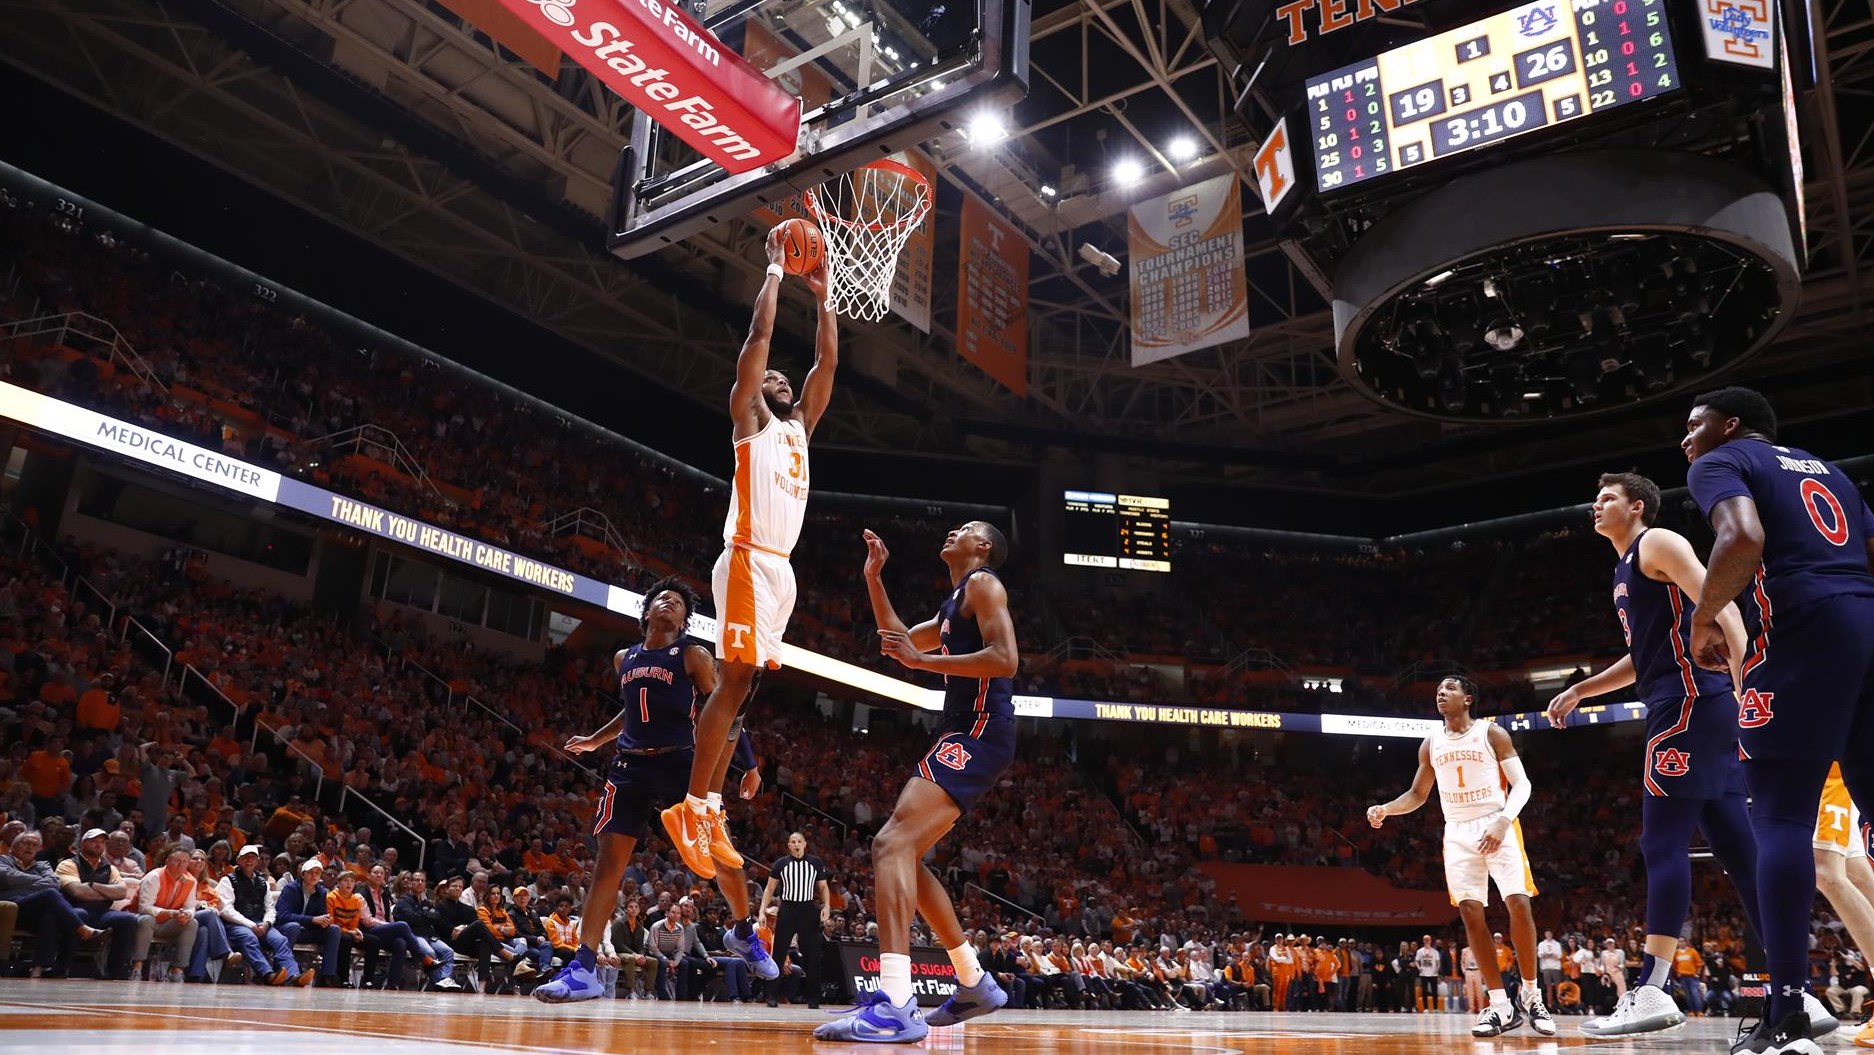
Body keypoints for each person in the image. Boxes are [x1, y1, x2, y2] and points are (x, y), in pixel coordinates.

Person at [1681, 386, 1874, 1055]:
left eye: (1695, 425)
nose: (1686, 439)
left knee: (1781, 817)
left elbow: (1743, 537)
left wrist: (1705, 614)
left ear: (1730, 426)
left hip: (1801, 628)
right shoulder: (1830, 470)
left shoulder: (1723, 462)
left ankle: (1787, 1013)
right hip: (1866, 621)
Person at [1547, 471, 1767, 1037]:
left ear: (1637, 506)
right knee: (1739, 852)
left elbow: (1724, 606)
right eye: (1595, 498)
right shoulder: (1625, 567)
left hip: (1689, 705)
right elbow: (1644, 656)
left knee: (1661, 841)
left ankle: (1652, 988)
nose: (1596, 506)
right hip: (1696, 706)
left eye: (1608, 498)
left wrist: (1745, 681)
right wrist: (1582, 689)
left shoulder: (1658, 542)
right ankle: (1793, 989)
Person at [661, 225, 838, 879]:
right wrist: (775, 273)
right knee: (731, 679)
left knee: (744, 686)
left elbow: (826, 368)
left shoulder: (800, 428)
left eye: (786, 379)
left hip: (780, 570)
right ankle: (692, 807)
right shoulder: (748, 419)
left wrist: (824, 295)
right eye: (772, 377)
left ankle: (707, 807)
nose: (781, 378)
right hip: (746, 556)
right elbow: (758, 339)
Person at [814, 521, 1018, 1042]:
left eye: (965, 529)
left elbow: (1005, 659)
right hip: (963, 729)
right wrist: (874, 578)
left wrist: (924, 661)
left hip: (979, 729)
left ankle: (898, 1004)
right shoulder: (954, 602)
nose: (953, 531)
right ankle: (973, 981)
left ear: (983, 546)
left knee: (890, 844)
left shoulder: (983, 584)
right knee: (905, 853)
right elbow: (898, 639)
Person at [534, 577, 776, 1002]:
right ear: (646, 612)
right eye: (662, 598)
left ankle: (742, 931)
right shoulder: (624, 658)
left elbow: (725, 711)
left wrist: (750, 765)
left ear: (684, 621)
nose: (669, 603)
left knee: (720, 853)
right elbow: (632, 711)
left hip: (681, 763)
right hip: (630, 765)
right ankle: (584, 968)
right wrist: (596, 739)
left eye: (678, 602)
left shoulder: (692, 655)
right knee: (608, 861)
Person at [1367, 677, 1554, 1038]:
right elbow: (1417, 794)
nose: (1441, 692)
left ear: (1468, 699)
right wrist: (1386, 809)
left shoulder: (1492, 733)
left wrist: (1503, 821)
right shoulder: (1431, 743)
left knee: (1518, 903)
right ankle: (1500, 1005)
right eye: (1438, 688)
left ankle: (1531, 996)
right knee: (1470, 912)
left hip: (1497, 822)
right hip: (1457, 830)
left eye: (1450, 688)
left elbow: (1523, 784)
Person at [215, 842, 308, 986]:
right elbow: (226, 910)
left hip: (260, 922)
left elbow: (270, 908)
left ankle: (293, 975)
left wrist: (266, 923)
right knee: (249, 938)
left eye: (253, 857)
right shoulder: (227, 880)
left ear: (257, 861)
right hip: (235, 924)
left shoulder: (263, 882)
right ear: (238, 860)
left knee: (280, 940)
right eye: (246, 857)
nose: (249, 860)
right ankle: (267, 974)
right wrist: (251, 925)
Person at [759, 831, 830, 1008]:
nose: (796, 844)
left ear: (805, 844)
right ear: (789, 846)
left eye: (799, 841)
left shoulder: (815, 862)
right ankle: (772, 996)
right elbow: (769, 888)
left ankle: (813, 999)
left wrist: (827, 905)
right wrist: (761, 911)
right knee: (778, 952)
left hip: (808, 909)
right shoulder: (781, 864)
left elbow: (823, 887)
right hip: (788, 909)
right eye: (793, 842)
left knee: (812, 955)